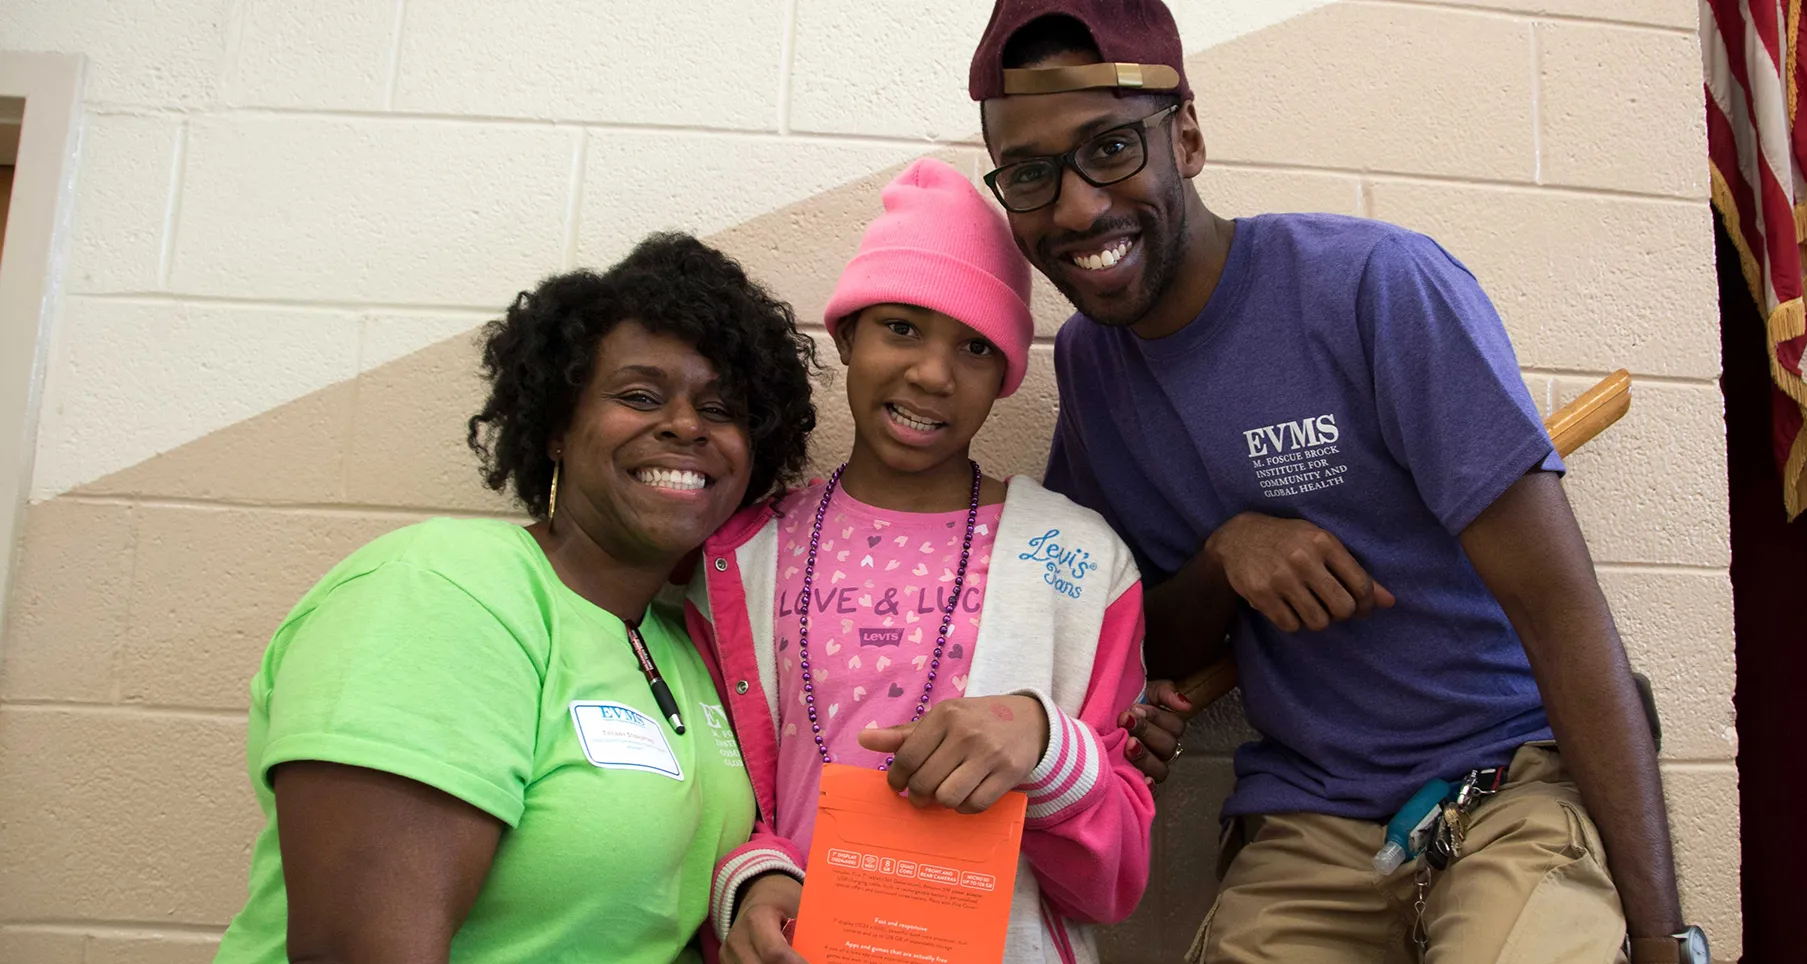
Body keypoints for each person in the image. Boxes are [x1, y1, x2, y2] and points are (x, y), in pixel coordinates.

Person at [968, 3, 1709, 964]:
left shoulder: (1374, 286)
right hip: (1311, 817)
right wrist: (1226, 557)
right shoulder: (1094, 366)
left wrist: (1661, 936)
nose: (1075, 208)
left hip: (1512, 783)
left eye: (1111, 147)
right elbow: (1142, 636)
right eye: (1031, 175)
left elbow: (1563, 616)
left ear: (1185, 137)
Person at [211, 233, 819, 964]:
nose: (686, 425)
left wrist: (759, 883)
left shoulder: (678, 643)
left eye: (721, 409)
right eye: (640, 396)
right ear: (558, 427)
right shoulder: (443, 593)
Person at [686, 158, 1155, 964]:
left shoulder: (1079, 564)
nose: (933, 374)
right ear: (845, 335)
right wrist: (751, 882)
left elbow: (1114, 883)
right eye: (901, 327)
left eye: (975, 347)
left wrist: (1046, 748)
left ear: (1006, 378)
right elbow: (701, 801)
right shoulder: (742, 558)